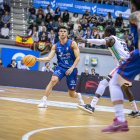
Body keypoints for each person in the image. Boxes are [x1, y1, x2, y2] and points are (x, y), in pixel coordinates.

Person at [77, 25, 140, 132]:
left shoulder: (112, 39)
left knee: (103, 83)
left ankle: (91, 106)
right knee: (125, 88)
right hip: (128, 64)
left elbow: (101, 41)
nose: (104, 35)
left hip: (122, 65)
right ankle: (135, 110)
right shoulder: (121, 40)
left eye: (105, 33)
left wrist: (85, 40)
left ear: (108, 32)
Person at [36, 26, 84, 108]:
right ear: (58, 33)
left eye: (64, 31)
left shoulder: (72, 43)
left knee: (71, 94)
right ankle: (44, 101)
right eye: (61, 31)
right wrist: (37, 59)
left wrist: (72, 68)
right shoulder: (55, 46)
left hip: (71, 68)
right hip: (61, 67)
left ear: (67, 33)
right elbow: (48, 58)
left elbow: (78, 58)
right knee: (53, 80)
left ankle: (79, 96)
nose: (62, 32)